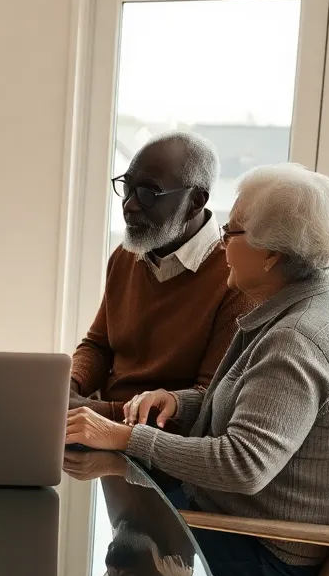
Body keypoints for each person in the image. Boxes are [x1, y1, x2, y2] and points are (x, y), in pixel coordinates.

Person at [65, 162, 329, 576]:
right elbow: (251, 410)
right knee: (95, 495)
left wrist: (125, 437)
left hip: (264, 550)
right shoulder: (296, 308)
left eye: (231, 232)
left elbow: (242, 465)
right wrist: (179, 402)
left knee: (77, 536)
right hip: (235, 516)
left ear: (271, 255)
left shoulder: (296, 341)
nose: (221, 243)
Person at [70, 131, 254, 423]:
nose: (129, 205)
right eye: (127, 188)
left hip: (163, 451)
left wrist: (98, 413)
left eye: (147, 193)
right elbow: (98, 346)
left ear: (195, 201)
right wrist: (68, 388)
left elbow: (206, 402)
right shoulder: (125, 255)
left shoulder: (235, 278)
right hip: (100, 431)